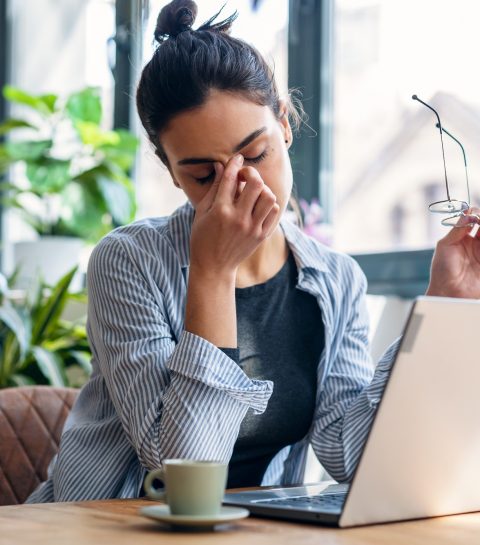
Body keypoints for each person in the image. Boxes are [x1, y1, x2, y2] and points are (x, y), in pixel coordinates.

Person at [26, 0, 480, 503]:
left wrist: (441, 304)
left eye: (256, 153)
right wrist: (212, 274)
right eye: (204, 176)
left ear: (284, 122)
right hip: (100, 527)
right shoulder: (129, 261)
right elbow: (182, 478)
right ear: (172, 172)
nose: (241, 187)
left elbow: (350, 452)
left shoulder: (336, 279)